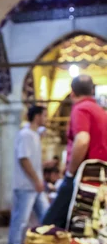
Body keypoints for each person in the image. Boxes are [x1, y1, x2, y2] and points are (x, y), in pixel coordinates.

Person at [43, 75, 107, 228]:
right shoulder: (100, 112)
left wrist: (70, 173)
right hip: (99, 177)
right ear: (92, 91)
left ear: (72, 93)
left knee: (50, 226)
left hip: (82, 177)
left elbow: (82, 139)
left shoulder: (81, 109)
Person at [7, 105, 49, 244]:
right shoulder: (25, 135)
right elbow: (24, 159)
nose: (46, 119)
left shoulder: (33, 134)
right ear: (37, 116)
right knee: (20, 220)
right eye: (44, 115)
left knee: (47, 216)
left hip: (34, 185)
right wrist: (37, 180)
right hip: (26, 185)